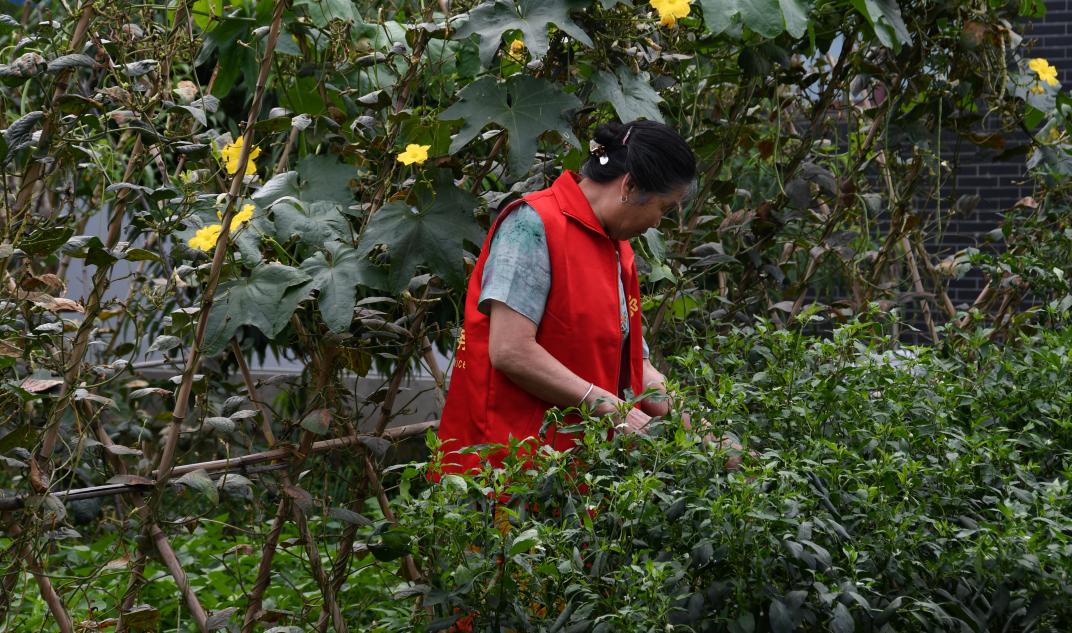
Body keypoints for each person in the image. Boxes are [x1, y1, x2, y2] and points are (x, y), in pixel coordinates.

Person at [436, 120, 697, 473]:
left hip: (568, 468)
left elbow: (637, 364)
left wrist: (702, 431)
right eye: (662, 208)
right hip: (505, 465)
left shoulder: (616, 248)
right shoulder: (532, 225)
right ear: (630, 185)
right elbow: (511, 350)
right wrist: (611, 408)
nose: (656, 223)